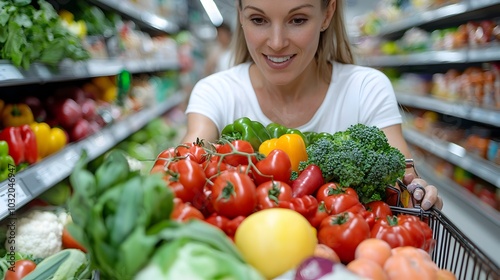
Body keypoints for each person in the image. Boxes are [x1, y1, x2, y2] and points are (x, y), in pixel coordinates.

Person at [182, 0, 443, 210]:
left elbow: (400, 174)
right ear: (240, 14)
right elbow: (185, 160)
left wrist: (417, 193)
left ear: (327, 13)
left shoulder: (366, 88)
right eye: (258, 19)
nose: (276, 42)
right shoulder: (215, 92)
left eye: (297, 20)